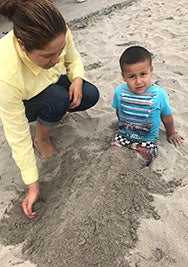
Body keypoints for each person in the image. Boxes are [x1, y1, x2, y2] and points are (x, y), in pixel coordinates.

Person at [0, 0, 99, 218]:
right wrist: (32, 184)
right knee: (56, 99)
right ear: (23, 45)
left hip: (49, 84)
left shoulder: (58, 31)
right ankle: (42, 138)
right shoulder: (5, 73)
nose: (56, 60)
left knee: (90, 94)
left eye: (58, 51)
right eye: (47, 56)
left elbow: (73, 59)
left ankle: (52, 111)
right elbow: (16, 133)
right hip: (24, 101)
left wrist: (77, 79)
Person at [111, 46, 183, 166]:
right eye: (132, 76)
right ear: (123, 76)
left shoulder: (159, 94)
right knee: (113, 153)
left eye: (143, 74)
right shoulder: (120, 92)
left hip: (146, 140)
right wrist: (120, 124)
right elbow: (120, 110)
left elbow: (166, 116)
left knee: (144, 157)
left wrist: (172, 133)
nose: (138, 81)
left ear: (151, 71)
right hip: (124, 135)